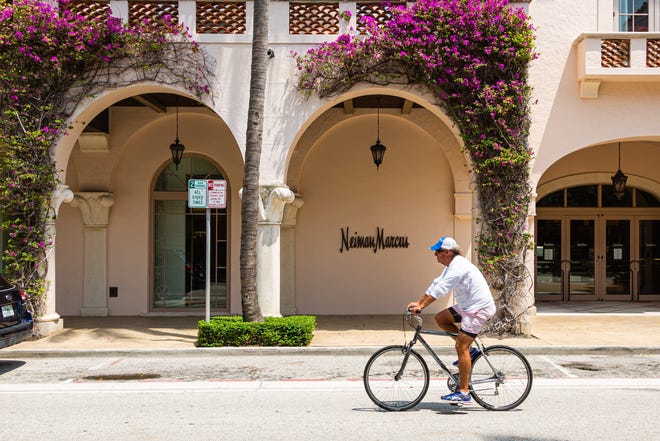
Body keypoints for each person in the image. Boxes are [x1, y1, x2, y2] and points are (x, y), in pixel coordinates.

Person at [407, 236, 496, 405]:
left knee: (460, 346)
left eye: (437, 252)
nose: (435, 255)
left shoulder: (458, 266)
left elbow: (442, 288)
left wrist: (422, 307)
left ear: (447, 252)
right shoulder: (451, 265)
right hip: (467, 306)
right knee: (441, 318)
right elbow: (436, 284)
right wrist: (419, 303)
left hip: (478, 309)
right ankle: (470, 352)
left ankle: (463, 392)